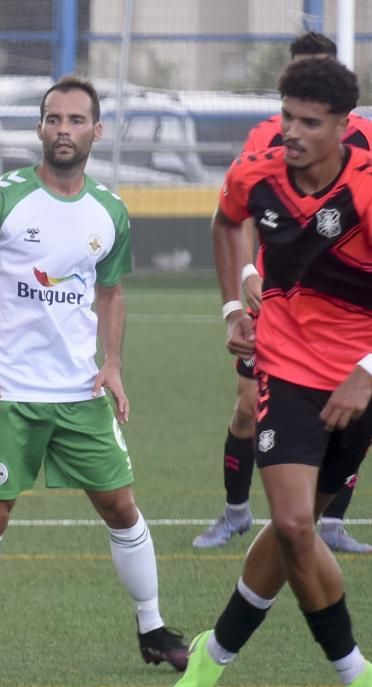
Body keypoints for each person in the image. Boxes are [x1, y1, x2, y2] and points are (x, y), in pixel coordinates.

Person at [0, 75, 188, 675]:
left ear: (97, 132)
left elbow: (112, 292)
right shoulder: (0, 196)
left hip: (80, 394)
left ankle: (152, 628)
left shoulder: (110, 211)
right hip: (7, 394)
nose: (64, 130)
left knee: (120, 505)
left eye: (77, 121)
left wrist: (114, 365)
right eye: (54, 119)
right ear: (40, 128)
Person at [163, 56, 372, 687]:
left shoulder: (368, 191)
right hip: (284, 366)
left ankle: (211, 649)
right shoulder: (256, 174)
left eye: (311, 122)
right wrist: (235, 299)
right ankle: (357, 678)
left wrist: (366, 370)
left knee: (298, 534)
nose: (294, 132)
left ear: (346, 125)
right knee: (290, 526)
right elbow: (225, 223)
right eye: (287, 116)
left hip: (360, 379)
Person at [193, 30, 372, 553]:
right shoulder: (266, 141)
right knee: (248, 405)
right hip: (275, 308)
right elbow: (232, 213)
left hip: (346, 317)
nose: (298, 124)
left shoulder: (361, 151)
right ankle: (235, 512)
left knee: (346, 419)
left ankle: (330, 521)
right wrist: (243, 281)